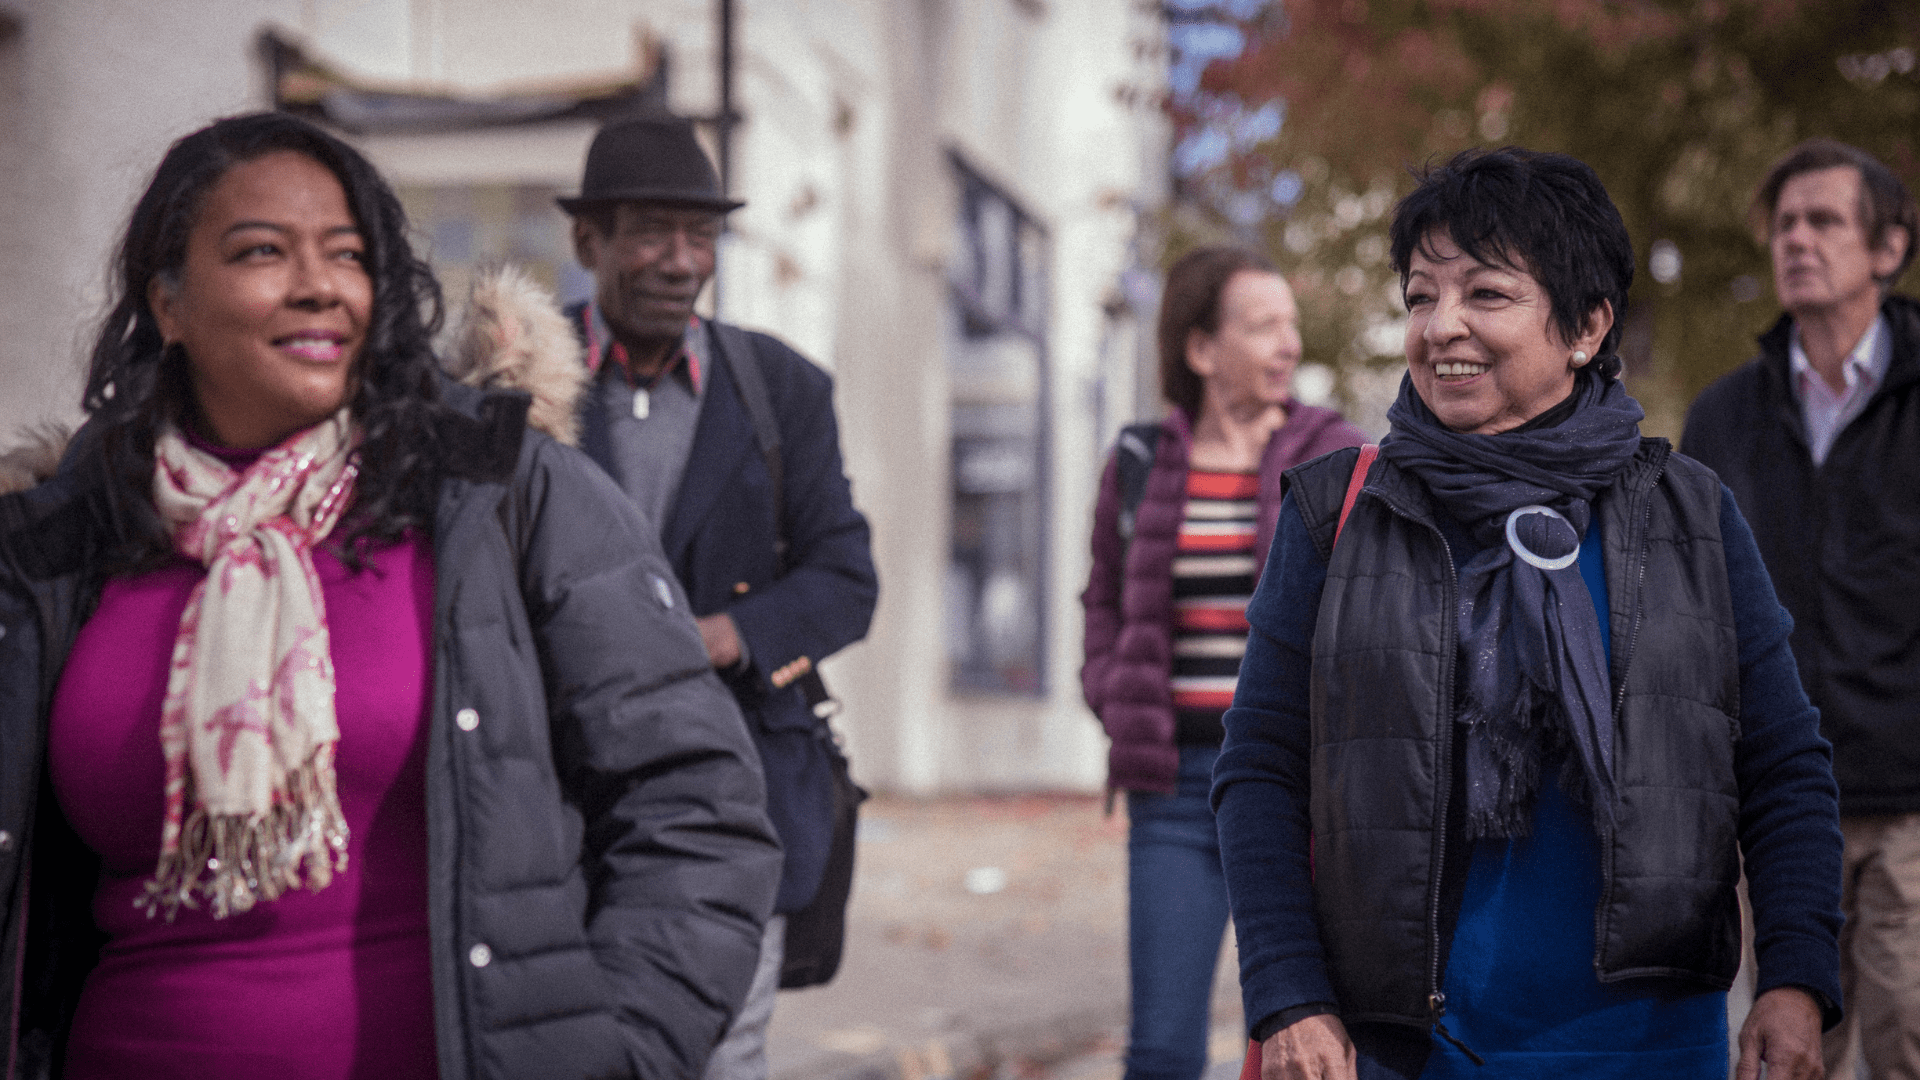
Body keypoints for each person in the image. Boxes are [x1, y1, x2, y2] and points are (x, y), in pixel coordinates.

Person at [0, 112, 782, 1080]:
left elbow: (694, 805)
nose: (319, 285)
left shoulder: (499, 496)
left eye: (348, 254)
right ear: (169, 303)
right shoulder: (58, 547)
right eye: (262, 252)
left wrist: (615, 1054)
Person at [1212, 147, 1845, 1080]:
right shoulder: (1337, 514)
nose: (1442, 326)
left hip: (1647, 1047)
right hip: (1400, 1049)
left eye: (1486, 294)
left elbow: (1784, 766)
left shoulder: (1692, 516)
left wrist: (1795, 978)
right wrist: (1289, 997)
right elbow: (1261, 770)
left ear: (1587, 326)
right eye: (1421, 296)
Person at [553, 115, 878, 1080]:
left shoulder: (783, 388)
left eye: (700, 235)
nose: (680, 260)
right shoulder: (520, 384)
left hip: (742, 793)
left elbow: (846, 579)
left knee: (725, 1051)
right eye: (652, 233)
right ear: (588, 241)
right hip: (564, 794)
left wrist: (725, 635)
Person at [1081, 246, 1365, 1080]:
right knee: (1161, 1051)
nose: (1288, 345)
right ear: (1203, 349)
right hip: (1175, 788)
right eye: (1263, 326)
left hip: (1302, 789)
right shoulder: (1138, 461)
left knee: (1304, 1046)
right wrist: (1114, 695)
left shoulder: (1336, 455)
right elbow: (1102, 601)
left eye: (1291, 325)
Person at [1682, 138, 1920, 1080]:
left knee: (1907, 1044)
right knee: (1785, 1055)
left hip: (1909, 802)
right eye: (1785, 223)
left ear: (1889, 248)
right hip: (1772, 806)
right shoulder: (1723, 416)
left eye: (1824, 221)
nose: (1797, 240)